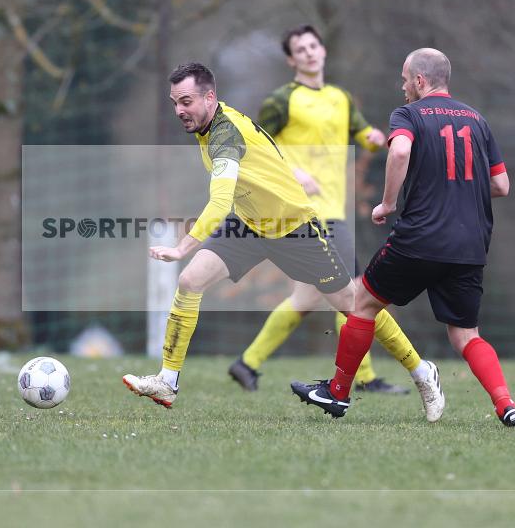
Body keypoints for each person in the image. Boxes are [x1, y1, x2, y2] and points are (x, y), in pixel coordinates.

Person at [124, 62, 392, 413]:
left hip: (298, 221)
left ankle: (419, 371)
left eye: (185, 101)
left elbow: (220, 200)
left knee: (351, 301)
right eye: (175, 102)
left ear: (210, 97)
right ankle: (169, 381)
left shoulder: (231, 129)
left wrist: (181, 248)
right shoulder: (242, 116)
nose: (179, 110)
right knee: (191, 281)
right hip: (252, 222)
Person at [291, 48, 515, 427]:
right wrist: (457, 186)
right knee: (466, 335)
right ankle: (507, 405)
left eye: (405, 78)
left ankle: (337, 393)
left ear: (420, 80)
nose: (402, 86)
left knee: (362, 303)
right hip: (469, 244)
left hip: (421, 237)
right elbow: (501, 184)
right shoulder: (477, 120)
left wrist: (387, 203)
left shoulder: (409, 114)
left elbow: (400, 150)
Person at [228, 25, 440, 408]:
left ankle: (248, 362)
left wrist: (375, 138)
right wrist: (293, 172)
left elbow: (361, 133)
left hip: (333, 209)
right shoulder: (280, 100)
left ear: (322, 51)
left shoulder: (340, 98)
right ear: (292, 60)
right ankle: (365, 377)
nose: (309, 53)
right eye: (300, 49)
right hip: (305, 211)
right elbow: (256, 147)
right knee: (357, 293)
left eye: (313, 45)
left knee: (308, 297)